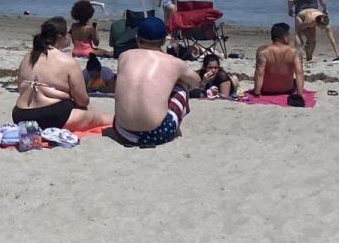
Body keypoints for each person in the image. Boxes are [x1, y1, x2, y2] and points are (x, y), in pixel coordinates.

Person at [113, 17, 199, 146]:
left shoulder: (124, 56)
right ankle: (174, 127)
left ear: (136, 37)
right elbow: (196, 82)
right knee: (182, 85)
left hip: (122, 131)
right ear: (164, 40)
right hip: (156, 134)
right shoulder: (174, 62)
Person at [13, 18, 112, 130]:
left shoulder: (27, 58)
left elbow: (21, 89)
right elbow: (83, 101)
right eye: (68, 33)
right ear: (60, 36)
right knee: (94, 114)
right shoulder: (68, 62)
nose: (70, 36)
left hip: (20, 115)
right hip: (52, 116)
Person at [253, 22, 304, 96]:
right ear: (284, 37)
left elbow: (259, 72)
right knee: (295, 81)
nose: (290, 38)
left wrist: (257, 93)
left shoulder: (262, 51)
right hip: (286, 90)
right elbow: (299, 72)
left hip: (266, 90)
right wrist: (300, 94)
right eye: (288, 35)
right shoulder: (295, 52)